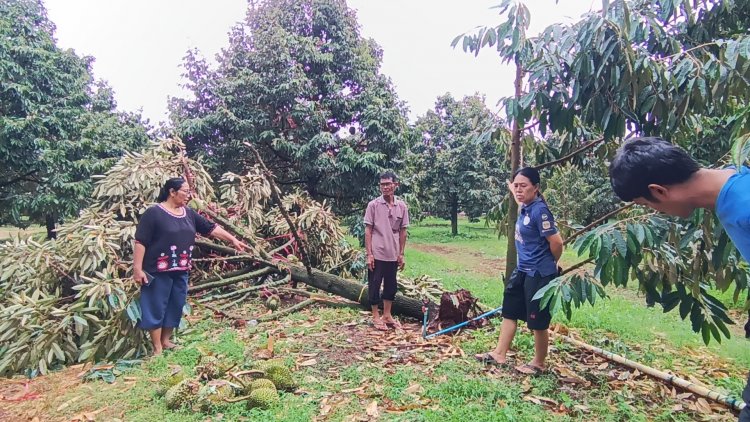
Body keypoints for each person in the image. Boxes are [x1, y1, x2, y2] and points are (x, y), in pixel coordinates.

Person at [608, 136, 750, 421]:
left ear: (658, 191)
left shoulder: (744, 207)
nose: (653, 211)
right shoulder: (737, 178)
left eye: (644, 204)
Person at [133, 177, 248, 355]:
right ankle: (156, 348)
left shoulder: (188, 213)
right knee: (155, 306)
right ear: (172, 192)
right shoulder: (154, 213)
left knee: (175, 305)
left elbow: (211, 228)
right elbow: (141, 241)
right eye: (185, 191)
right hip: (157, 270)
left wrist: (233, 240)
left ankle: (166, 340)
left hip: (181, 269)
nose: (188, 195)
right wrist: (137, 269)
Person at [475, 167, 564, 375]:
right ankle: (499, 353)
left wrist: (551, 263)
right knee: (510, 311)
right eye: (516, 186)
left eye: (523, 186)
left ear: (536, 188)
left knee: (537, 320)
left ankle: (539, 363)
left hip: (539, 274)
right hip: (522, 270)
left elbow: (557, 242)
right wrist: (513, 186)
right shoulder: (525, 205)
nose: (518, 190)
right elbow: (516, 194)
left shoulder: (539, 210)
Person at [364, 171, 409, 331]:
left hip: (393, 254)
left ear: (395, 185)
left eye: (388, 184)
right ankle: (375, 316)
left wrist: (401, 254)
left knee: (391, 286)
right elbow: (368, 230)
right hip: (377, 252)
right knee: (374, 284)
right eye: (382, 184)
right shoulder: (373, 205)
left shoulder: (402, 206)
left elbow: (403, 231)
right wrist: (369, 254)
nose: (385, 187)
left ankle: (387, 315)